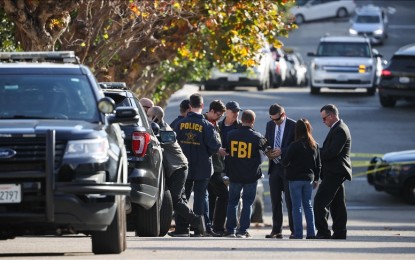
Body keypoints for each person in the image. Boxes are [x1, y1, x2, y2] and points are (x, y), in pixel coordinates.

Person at [146, 106, 206, 237]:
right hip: (178, 167)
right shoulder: (159, 128)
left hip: (178, 168)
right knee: (181, 199)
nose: (147, 117)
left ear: (155, 117)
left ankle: (197, 221)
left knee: (174, 199)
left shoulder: (163, 131)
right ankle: (182, 229)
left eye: (149, 115)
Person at [174, 93, 221, 237]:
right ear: (202, 106)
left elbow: (173, 142)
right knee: (200, 197)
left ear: (189, 106)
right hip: (202, 166)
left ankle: (182, 229)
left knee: (183, 197)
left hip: (185, 166)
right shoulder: (206, 125)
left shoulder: (180, 123)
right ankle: (199, 229)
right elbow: (215, 146)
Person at [224, 110, 267, 238]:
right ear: (252, 121)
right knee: (248, 202)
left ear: (241, 120)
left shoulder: (231, 135)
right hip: (251, 174)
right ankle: (242, 230)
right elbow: (264, 155)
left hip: (235, 173)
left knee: (232, 202)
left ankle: (230, 230)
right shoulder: (257, 137)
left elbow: (227, 153)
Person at [314, 104, 352, 239]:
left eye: (324, 118)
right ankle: (340, 231)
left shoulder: (340, 130)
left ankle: (323, 232)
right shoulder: (336, 128)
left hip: (335, 172)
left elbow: (331, 152)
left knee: (319, 201)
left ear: (331, 116)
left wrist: (316, 152)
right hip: (336, 171)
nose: (323, 121)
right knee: (337, 205)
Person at [281, 118, 321, 239]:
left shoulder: (294, 145)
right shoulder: (314, 145)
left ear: (296, 131)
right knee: (308, 205)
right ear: (309, 129)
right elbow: (318, 164)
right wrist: (316, 179)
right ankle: (311, 233)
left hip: (294, 179)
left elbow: (285, 161)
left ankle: (298, 233)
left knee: (296, 206)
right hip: (308, 178)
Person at [264, 103, 295, 239]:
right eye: (272, 119)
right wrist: (268, 150)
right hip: (274, 167)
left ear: (283, 115)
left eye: (277, 119)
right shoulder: (270, 125)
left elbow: (297, 145)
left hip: (288, 167)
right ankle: (277, 229)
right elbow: (266, 140)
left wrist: (283, 151)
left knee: (290, 201)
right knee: (275, 201)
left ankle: (294, 230)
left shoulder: (293, 125)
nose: (274, 122)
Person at [203, 100, 228, 236]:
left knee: (212, 197)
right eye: (218, 114)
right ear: (211, 111)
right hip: (209, 166)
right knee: (224, 195)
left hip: (217, 166)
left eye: (221, 115)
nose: (219, 117)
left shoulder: (215, 124)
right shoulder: (204, 123)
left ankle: (210, 226)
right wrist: (218, 150)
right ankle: (218, 227)